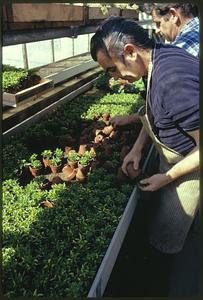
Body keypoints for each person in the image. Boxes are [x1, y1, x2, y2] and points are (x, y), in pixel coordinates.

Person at [90, 16, 199, 256]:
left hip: (189, 167)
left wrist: (167, 177)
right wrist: (137, 148)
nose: (112, 78)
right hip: (174, 159)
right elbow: (153, 111)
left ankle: (163, 272)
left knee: (170, 231)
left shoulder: (172, 81)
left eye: (111, 69)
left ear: (129, 52)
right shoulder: (157, 58)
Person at [110, 3, 199, 129]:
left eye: (158, 23)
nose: (157, 30)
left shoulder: (181, 51)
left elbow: (169, 108)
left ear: (173, 15)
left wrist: (132, 119)